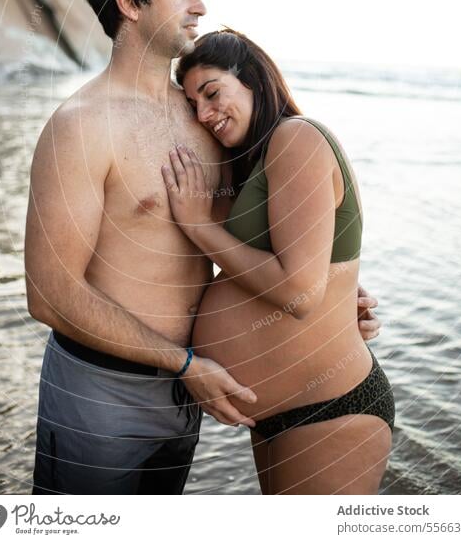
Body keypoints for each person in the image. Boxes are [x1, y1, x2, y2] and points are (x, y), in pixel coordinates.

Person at [25, 0, 381, 495]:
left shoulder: (203, 120)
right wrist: (185, 363)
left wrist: (337, 297)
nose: (201, 5)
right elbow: (49, 293)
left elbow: (271, 233)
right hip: (102, 390)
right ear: (129, 2)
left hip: (189, 391)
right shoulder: (81, 127)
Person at [161, 27, 395, 495]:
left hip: (331, 408)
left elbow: (299, 292)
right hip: (283, 413)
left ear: (253, 79)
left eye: (212, 93)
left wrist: (197, 224)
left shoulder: (296, 138)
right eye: (194, 106)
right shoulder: (256, 159)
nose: (205, 114)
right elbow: (309, 267)